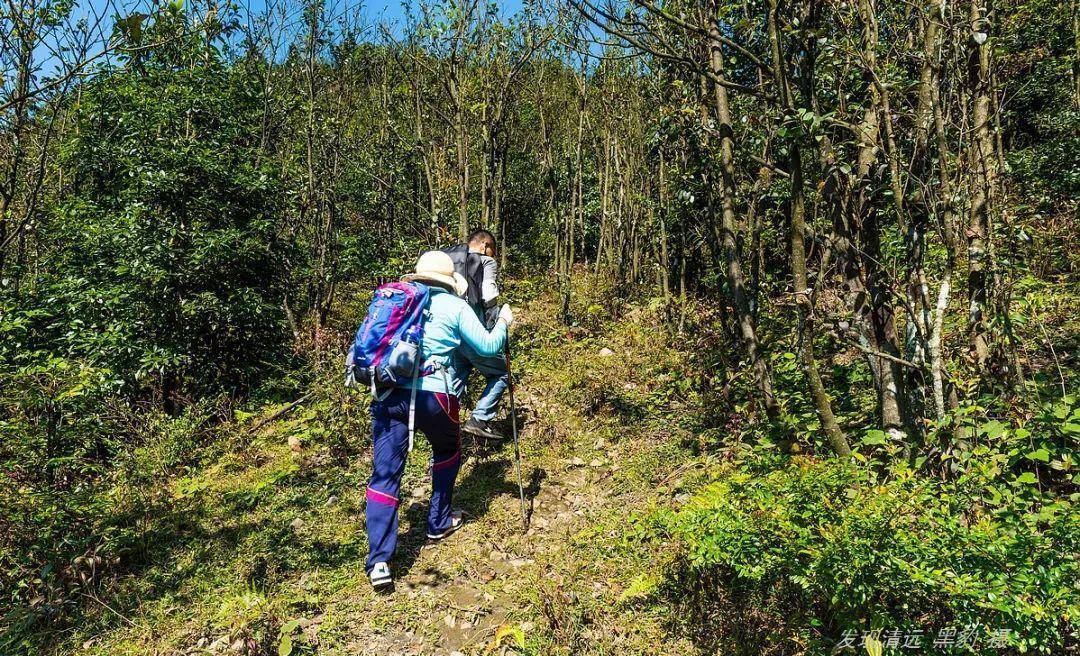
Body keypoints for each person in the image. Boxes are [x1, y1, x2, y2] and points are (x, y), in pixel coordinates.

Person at [365, 250, 514, 589]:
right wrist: (504, 321)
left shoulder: (401, 301)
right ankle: (439, 520)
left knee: (386, 474)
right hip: (436, 396)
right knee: (447, 453)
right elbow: (489, 347)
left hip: (390, 393)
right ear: (450, 280)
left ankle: (379, 563)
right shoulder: (455, 306)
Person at [443, 230, 510, 441]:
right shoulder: (486, 262)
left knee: (455, 381)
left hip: (451, 334)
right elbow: (489, 293)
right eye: (492, 250)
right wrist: (498, 317)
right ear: (484, 246)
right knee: (501, 373)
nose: (493, 255)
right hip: (474, 331)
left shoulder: (449, 260)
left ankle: (444, 428)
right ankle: (479, 419)